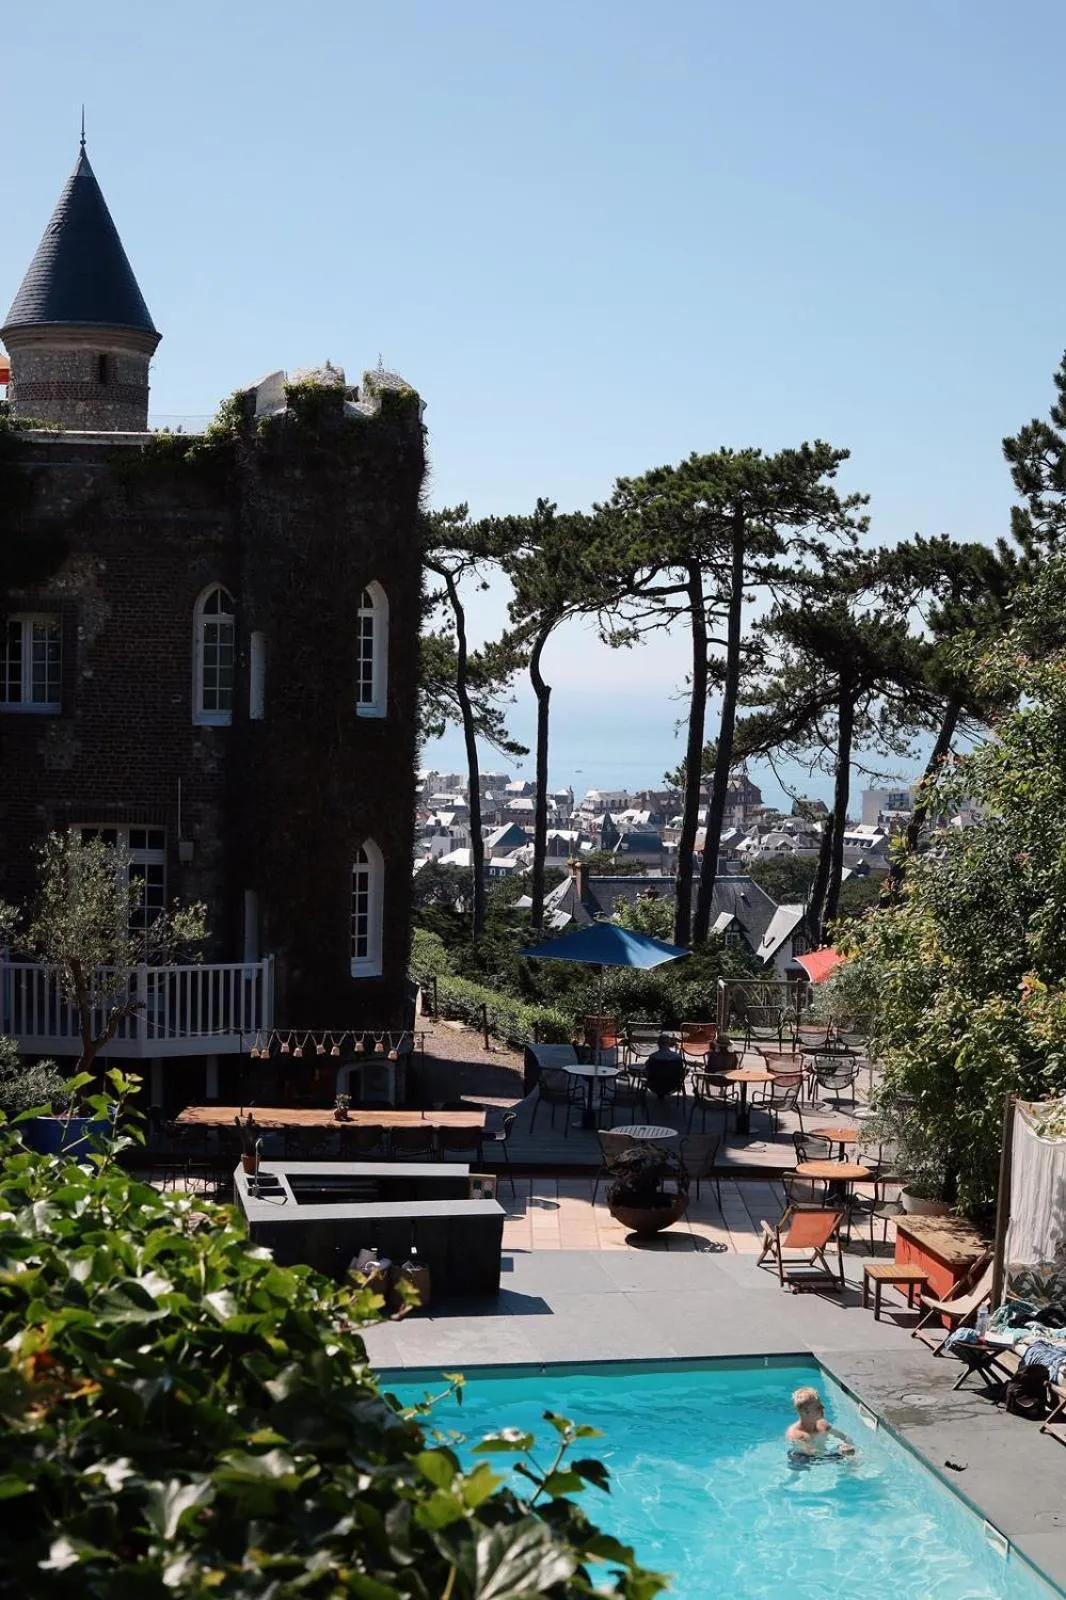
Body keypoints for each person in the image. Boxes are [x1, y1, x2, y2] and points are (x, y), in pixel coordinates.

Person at [785, 1386, 855, 1464]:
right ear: (806, 1412)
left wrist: (847, 1446)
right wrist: (839, 1451)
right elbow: (814, 1453)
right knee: (798, 1462)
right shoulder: (795, 1434)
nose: (823, 1407)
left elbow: (845, 1437)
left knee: (851, 1454)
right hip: (804, 1458)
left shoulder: (823, 1425)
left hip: (822, 1455)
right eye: (818, 1407)